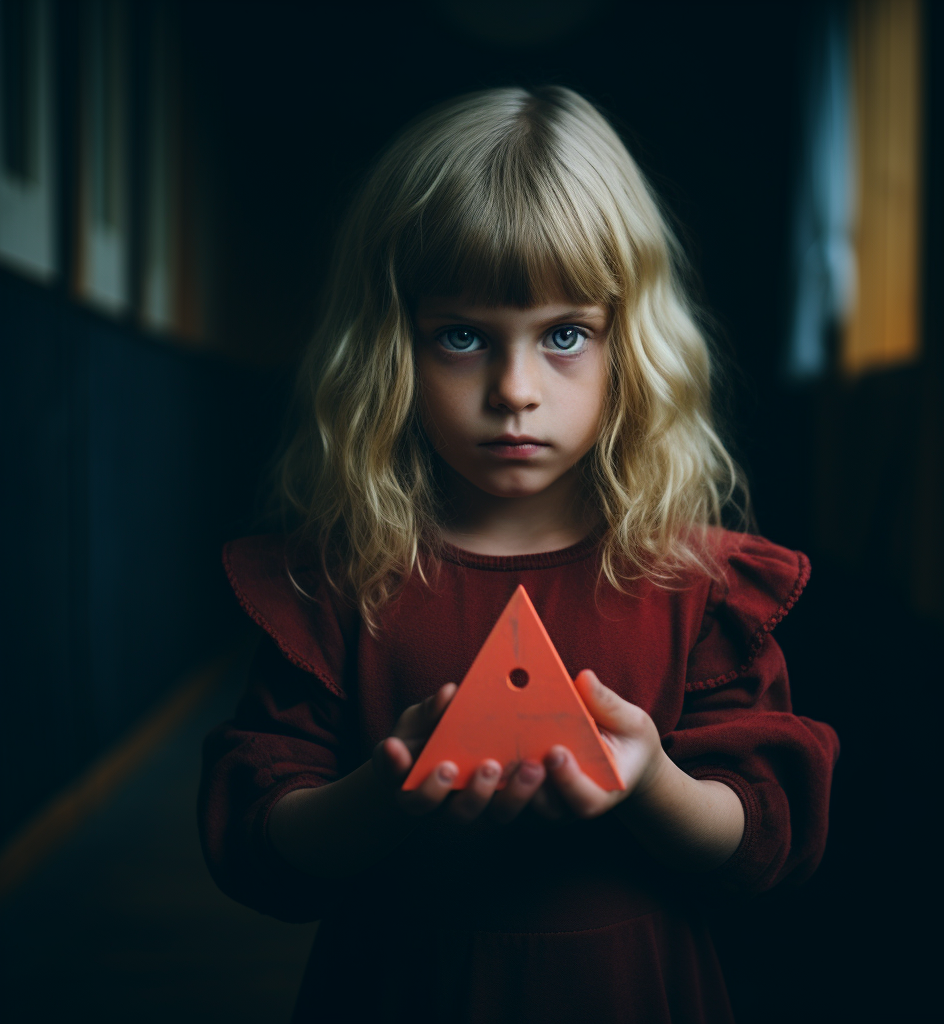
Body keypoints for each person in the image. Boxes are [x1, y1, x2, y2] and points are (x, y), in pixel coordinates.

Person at [198, 86, 840, 1024]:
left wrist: (650, 782)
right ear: (389, 348)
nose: (514, 390)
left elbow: (765, 840)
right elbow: (259, 844)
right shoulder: (342, 581)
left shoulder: (697, 587)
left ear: (633, 345)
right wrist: (384, 792)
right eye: (462, 337)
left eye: (566, 335)